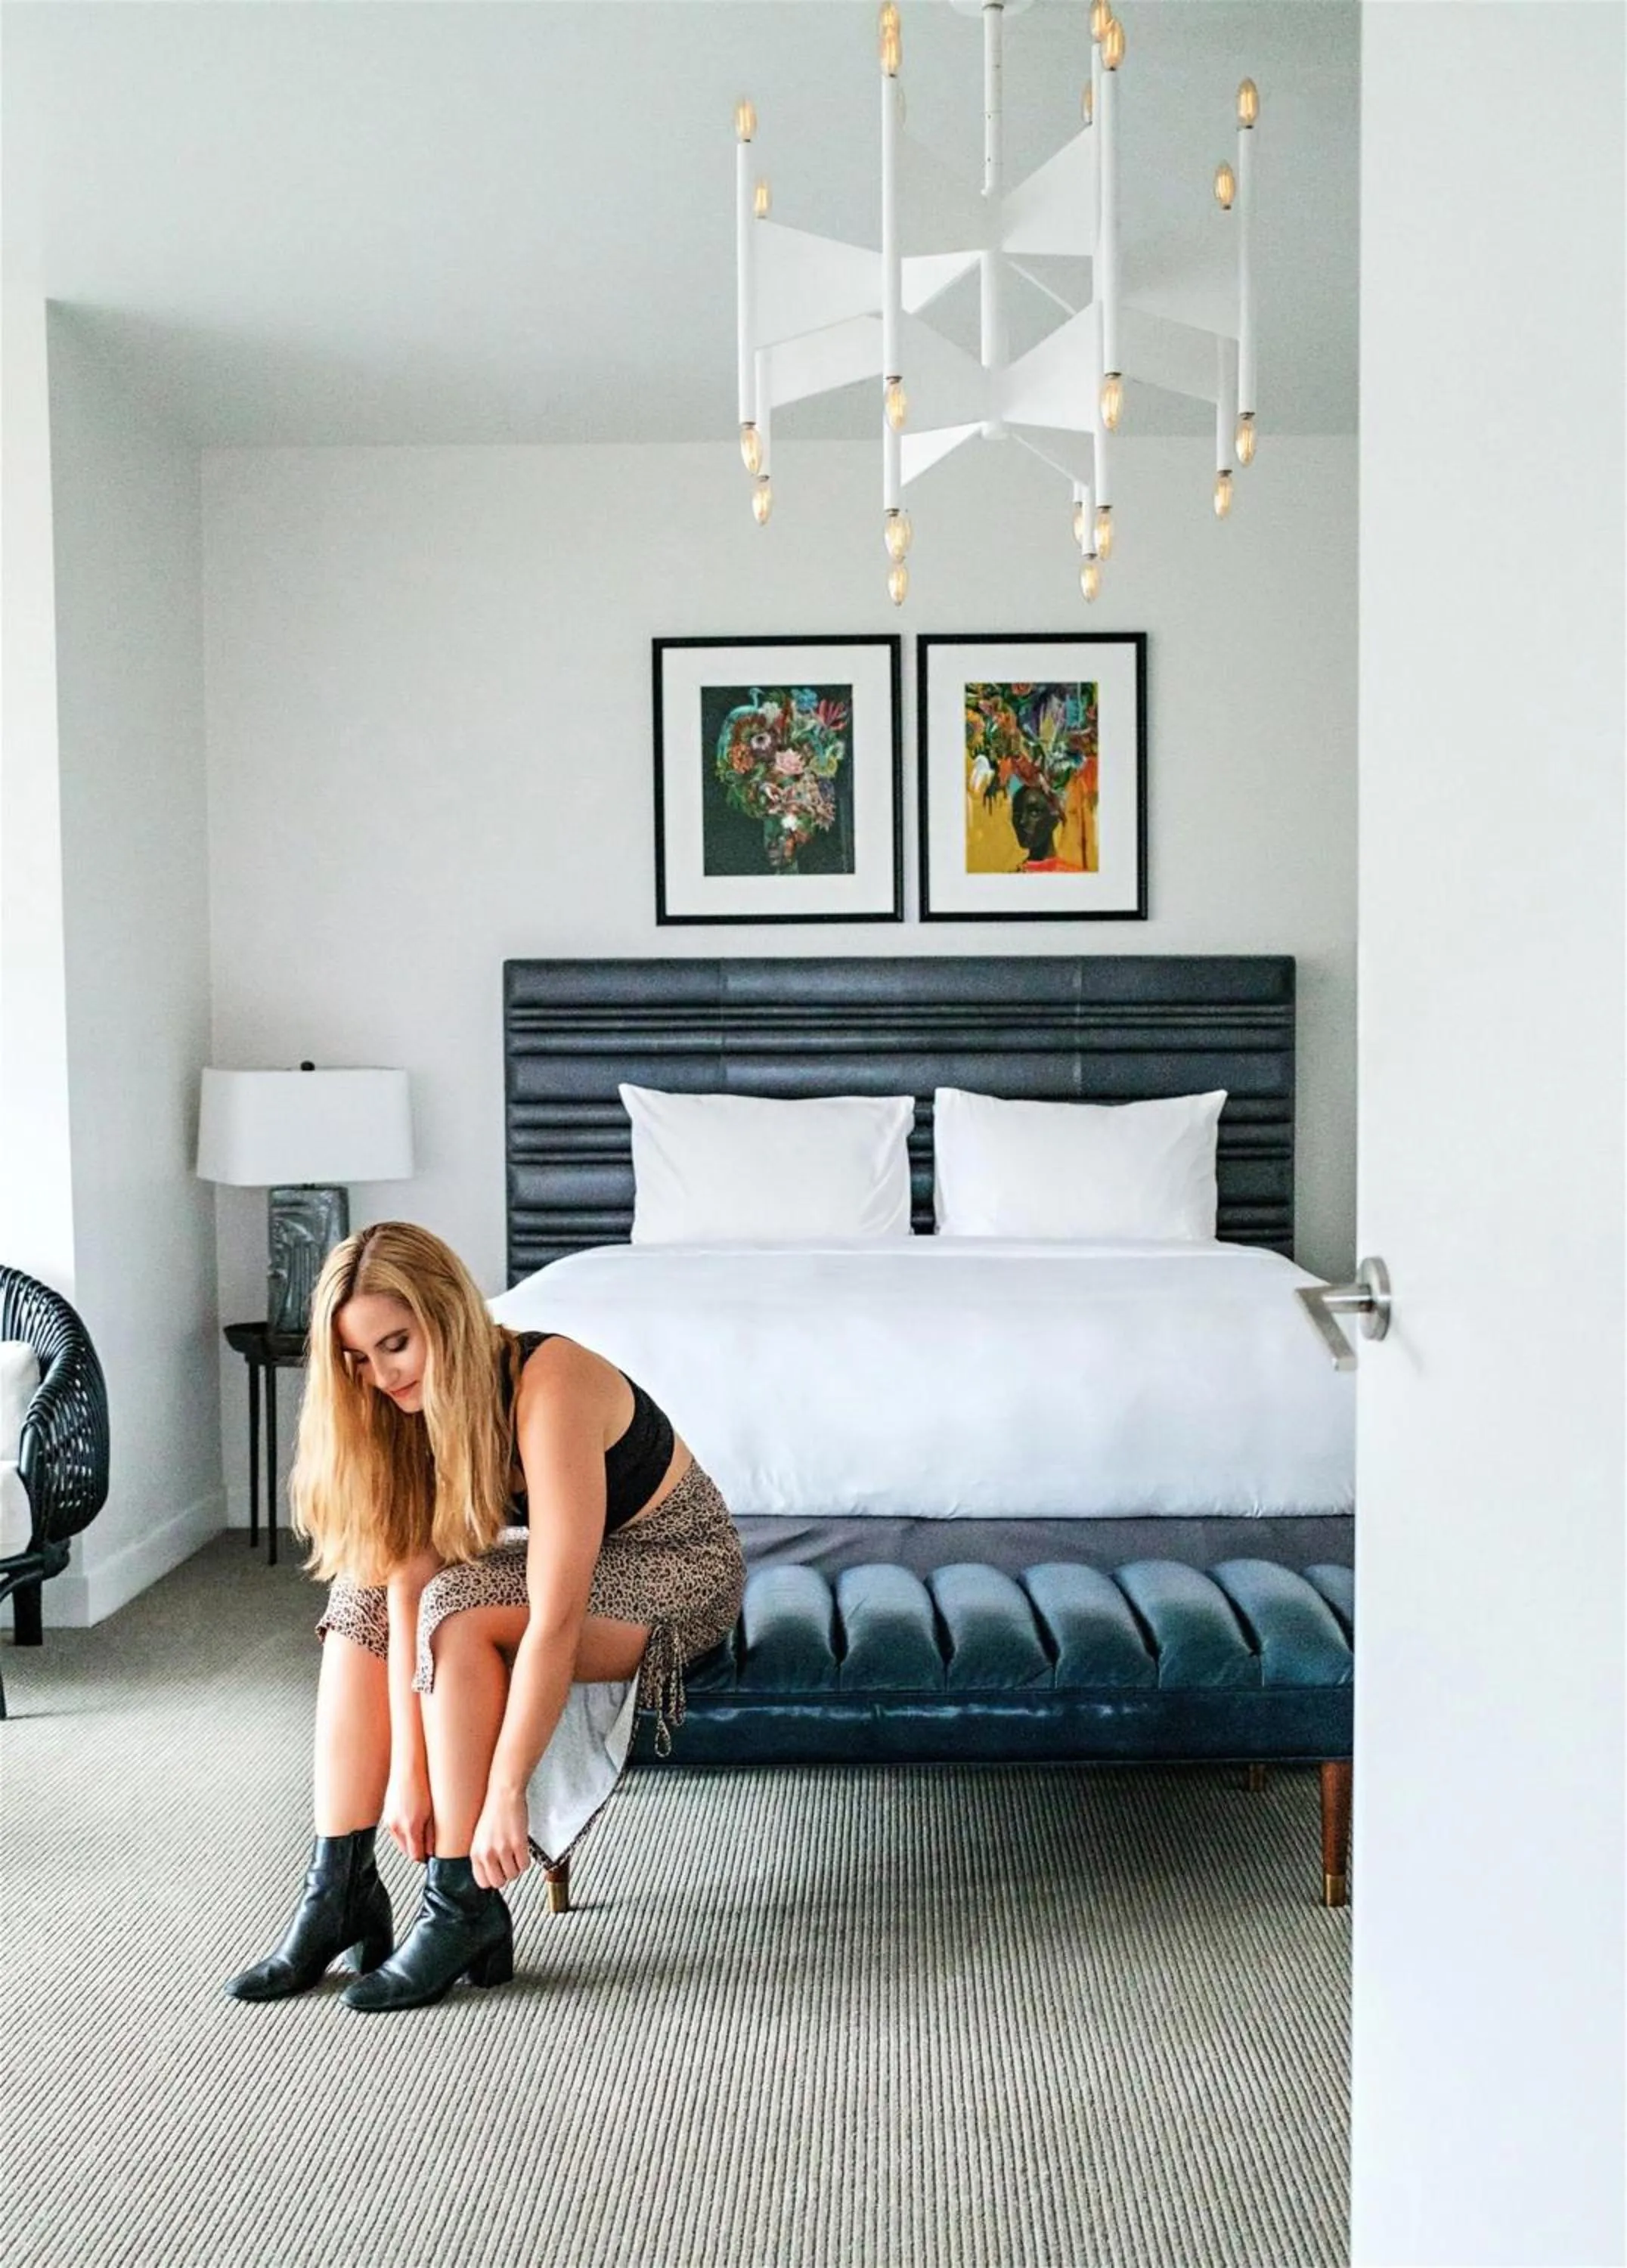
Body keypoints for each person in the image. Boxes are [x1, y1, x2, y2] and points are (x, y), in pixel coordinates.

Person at [223, 1220, 745, 2013]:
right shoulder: (403, 1407)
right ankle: (339, 1889)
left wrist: (506, 1790)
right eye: (357, 1359)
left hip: (678, 1570)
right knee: (360, 1591)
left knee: (460, 1612)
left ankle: (462, 1899)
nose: (380, 1375)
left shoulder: (551, 1380)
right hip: (588, 1567)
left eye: (396, 1344)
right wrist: (410, 1776)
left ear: (448, 1313)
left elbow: (556, 1614)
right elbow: (402, 1586)